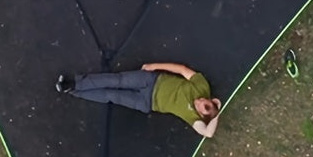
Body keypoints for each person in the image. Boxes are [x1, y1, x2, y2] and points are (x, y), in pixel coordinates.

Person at [56, 62, 222, 137]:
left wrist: (216, 116)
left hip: (147, 103)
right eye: (205, 101)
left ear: (201, 115)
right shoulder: (202, 87)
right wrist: (154, 66)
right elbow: (182, 70)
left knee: (111, 96)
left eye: (202, 106)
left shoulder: (192, 118)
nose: (200, 100)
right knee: (116, 80)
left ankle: (73, 90)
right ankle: (75, 82)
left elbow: (207, 133)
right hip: (152, 80)